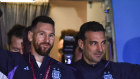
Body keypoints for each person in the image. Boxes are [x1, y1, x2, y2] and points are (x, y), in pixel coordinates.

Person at [0, 16, 79, 79]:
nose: (46, 40)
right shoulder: (13, 61)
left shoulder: (65, 70)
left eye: (51, 35)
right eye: (42, 34)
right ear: (30, 36)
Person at [72, 21, 140, 79]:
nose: (100, 49)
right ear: (81, 44)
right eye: (94, 43)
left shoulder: (118, 71)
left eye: (103, 43)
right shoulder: (69, 72)